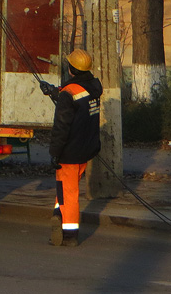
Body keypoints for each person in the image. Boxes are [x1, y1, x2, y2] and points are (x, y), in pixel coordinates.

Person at [40, 48, 102, 247]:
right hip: (85, 151)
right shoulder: (91, 88)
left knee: (69, 194)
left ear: (71, 69)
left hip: (69, 152)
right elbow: (77, 102)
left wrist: (54, 152)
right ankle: (58, 213)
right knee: (65, 189)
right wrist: (54, 91)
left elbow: (61, 127)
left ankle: (69, 235)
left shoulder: (69, 93)